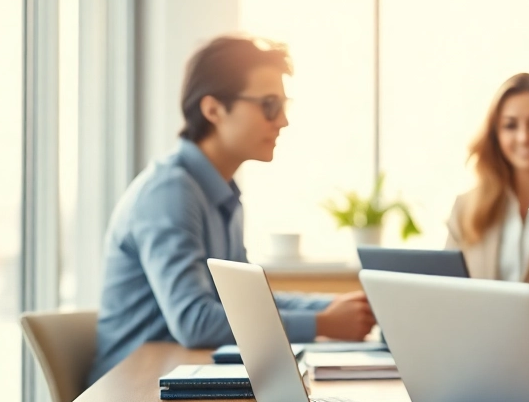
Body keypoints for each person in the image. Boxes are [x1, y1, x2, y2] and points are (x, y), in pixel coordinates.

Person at [89, 36, 376, 384]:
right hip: (135, 393)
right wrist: (324, 323)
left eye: (285, 105)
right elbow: (195, 322)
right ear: (213, 110)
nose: (283, 121)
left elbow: (246, 300)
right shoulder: (170, 192)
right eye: (269, 105)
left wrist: (335, 308)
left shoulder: (221, 193)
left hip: (185, 377)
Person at [445, 73, 529, 310]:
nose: (524, 137)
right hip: (478, 343)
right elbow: (445, 293)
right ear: (496, 133)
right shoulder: (465, 208)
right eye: (510, 125)